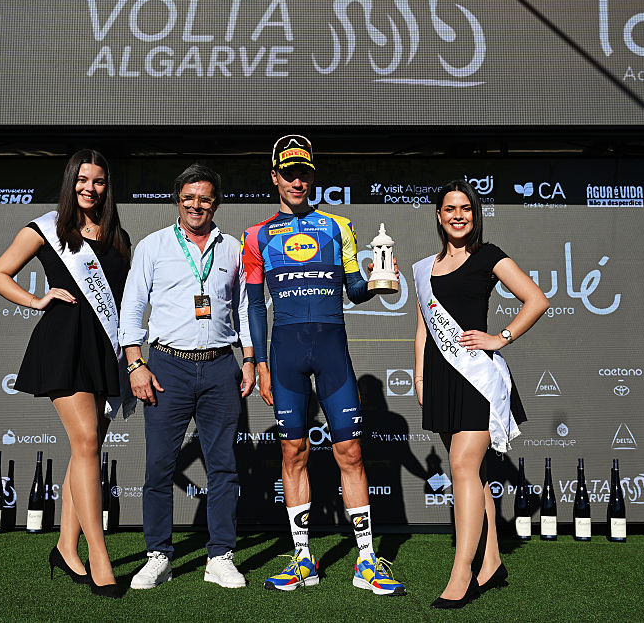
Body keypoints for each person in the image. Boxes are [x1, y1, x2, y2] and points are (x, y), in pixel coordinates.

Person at [244, 135, 406, 596]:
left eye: (305, 172)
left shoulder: (339, 226)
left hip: (332, 351)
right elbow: (256, 306)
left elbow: (355, 289)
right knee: (292, 453)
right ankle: (302, 560)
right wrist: (258, 362)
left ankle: (367, 561)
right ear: (274, 176)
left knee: (350, 454)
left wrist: (380, 281)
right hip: (286, 355)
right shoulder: (255, 236)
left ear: (313, 176)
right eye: (289, 172)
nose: (298, 180)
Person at [0, 149, 133, 598]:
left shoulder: (117, 236)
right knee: (87, 442)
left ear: (108, 186)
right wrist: (36, 300)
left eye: (99, 181)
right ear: (71, 182)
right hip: (65, 345)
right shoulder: (45, 229)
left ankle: (65, 548)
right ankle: (99, 556)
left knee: (85, 449)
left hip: (103, 349)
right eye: (83, 180)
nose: (90, 188)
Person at [411, 179, 547, 609]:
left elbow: (536, 300)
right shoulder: (424, 268)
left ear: (475, 213)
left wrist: (500, 337)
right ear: (438, 215)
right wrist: (419, 374)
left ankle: (461, 573)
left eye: (465, 208)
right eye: (449, 208)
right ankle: (491, 562)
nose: (457, 215)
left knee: (463, 467)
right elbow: (421, 326)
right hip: (440, 375)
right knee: (474, 475)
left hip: (475, 377)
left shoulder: (488, 255)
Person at [121, 164, 255, 591]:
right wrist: (135, 364)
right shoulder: (153, 246)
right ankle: (159, 555)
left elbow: (249, 309)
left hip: (220, 366)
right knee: (159, 466)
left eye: (205, 198)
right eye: (189, 198)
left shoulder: (234, 248)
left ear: (216, 202)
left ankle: (220, 556)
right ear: (177, 200)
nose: (197, 205)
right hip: (166, 366)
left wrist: (250, 359)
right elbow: (132, 307)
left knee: (224, 468)